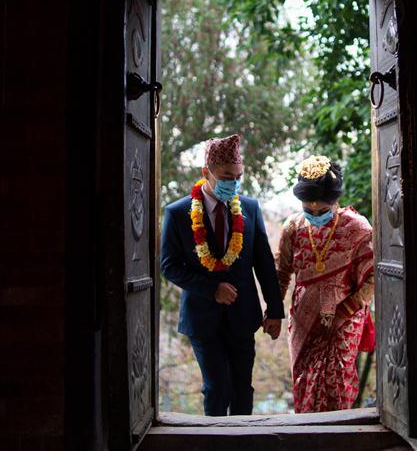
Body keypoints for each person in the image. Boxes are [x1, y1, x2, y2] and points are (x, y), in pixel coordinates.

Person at [160, 133, 284, 416]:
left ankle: (245, 438)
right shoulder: (177, 213)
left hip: (243, 315)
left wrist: (275, 311)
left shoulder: (250, 208)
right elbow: (169, 266)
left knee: (242, 390)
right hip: (202, 318)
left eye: (238, 177)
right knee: (216, 390)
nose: (234, 183)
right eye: (227, 177)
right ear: (206, 172)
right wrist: (211, 289)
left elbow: (264, 263)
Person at [275, 155, 376, 413]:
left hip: (344, 319)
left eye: (322, 211)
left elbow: (373, 277)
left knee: (336, 384)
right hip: (303, 321)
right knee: (305, 384)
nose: (315, 215)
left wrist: (347, 309)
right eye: (308, 210)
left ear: (335, 201)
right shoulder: (293, 227)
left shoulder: (357, 227)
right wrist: (273, 312)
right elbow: (282, 273)